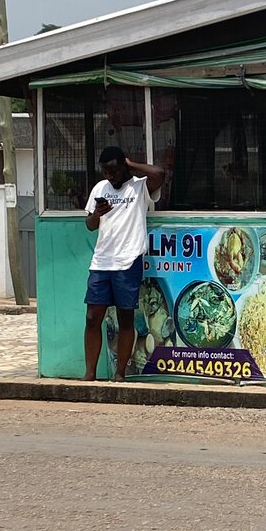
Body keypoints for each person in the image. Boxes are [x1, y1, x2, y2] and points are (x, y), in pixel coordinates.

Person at [83, 146, 165, 382]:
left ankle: (120, 373)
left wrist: (131, 164)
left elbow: (159, 174)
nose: (109, 176)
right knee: (92, 317)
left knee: (125, 318)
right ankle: (90, 374)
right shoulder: (100, 188)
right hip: (101, 262)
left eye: (113, 170)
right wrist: (97, 214)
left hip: (128, 261)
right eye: (105, 171)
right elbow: (89, 225)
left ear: (123, 167)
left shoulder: (139, 187)